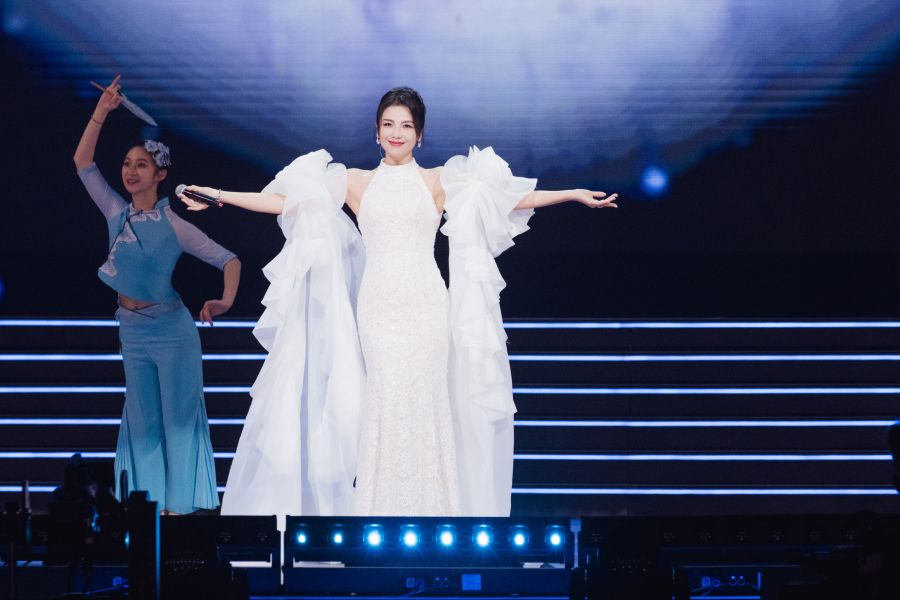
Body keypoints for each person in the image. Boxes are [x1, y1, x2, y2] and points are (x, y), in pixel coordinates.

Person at [180, 87, 617, 519]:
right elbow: (284, 202)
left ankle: (439, 513)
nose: (396, 132)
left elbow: (504, 200)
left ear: (419, 135)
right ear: (376, 131)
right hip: (378, 310)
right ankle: (377, 513)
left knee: (427, 403)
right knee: (385, 404)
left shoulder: (437, 179)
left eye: (406, 126)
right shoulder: (355, 181)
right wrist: (218, 194)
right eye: (388, 124)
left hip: (428, 307)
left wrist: (571, 193)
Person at [73, 76, 242, 515]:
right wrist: (101, 112)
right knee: (144, 425)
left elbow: (230, 260)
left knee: (179, 423)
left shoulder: (176, 226)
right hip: (132, 332)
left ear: (160, 174)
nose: (131, 171)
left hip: (173, 331)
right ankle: (148, 512)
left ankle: (181, 513)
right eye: (127, 163)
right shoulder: (116, 212)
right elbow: (83, 162)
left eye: (142, 165)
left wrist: (224, 301)